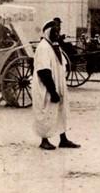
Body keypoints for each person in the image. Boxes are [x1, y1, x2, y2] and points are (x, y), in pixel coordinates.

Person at [32, 20, 80, 150]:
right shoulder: (43, 47)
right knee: (46, 112)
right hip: (46, 86)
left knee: (61, 111)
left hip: (58, 84)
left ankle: (63, 139)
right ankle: (44, 140)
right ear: (48, 33)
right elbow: (43, 71)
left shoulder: (55, 46)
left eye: (58, 32)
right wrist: (52, 91)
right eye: (55, 32)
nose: (57, 35)